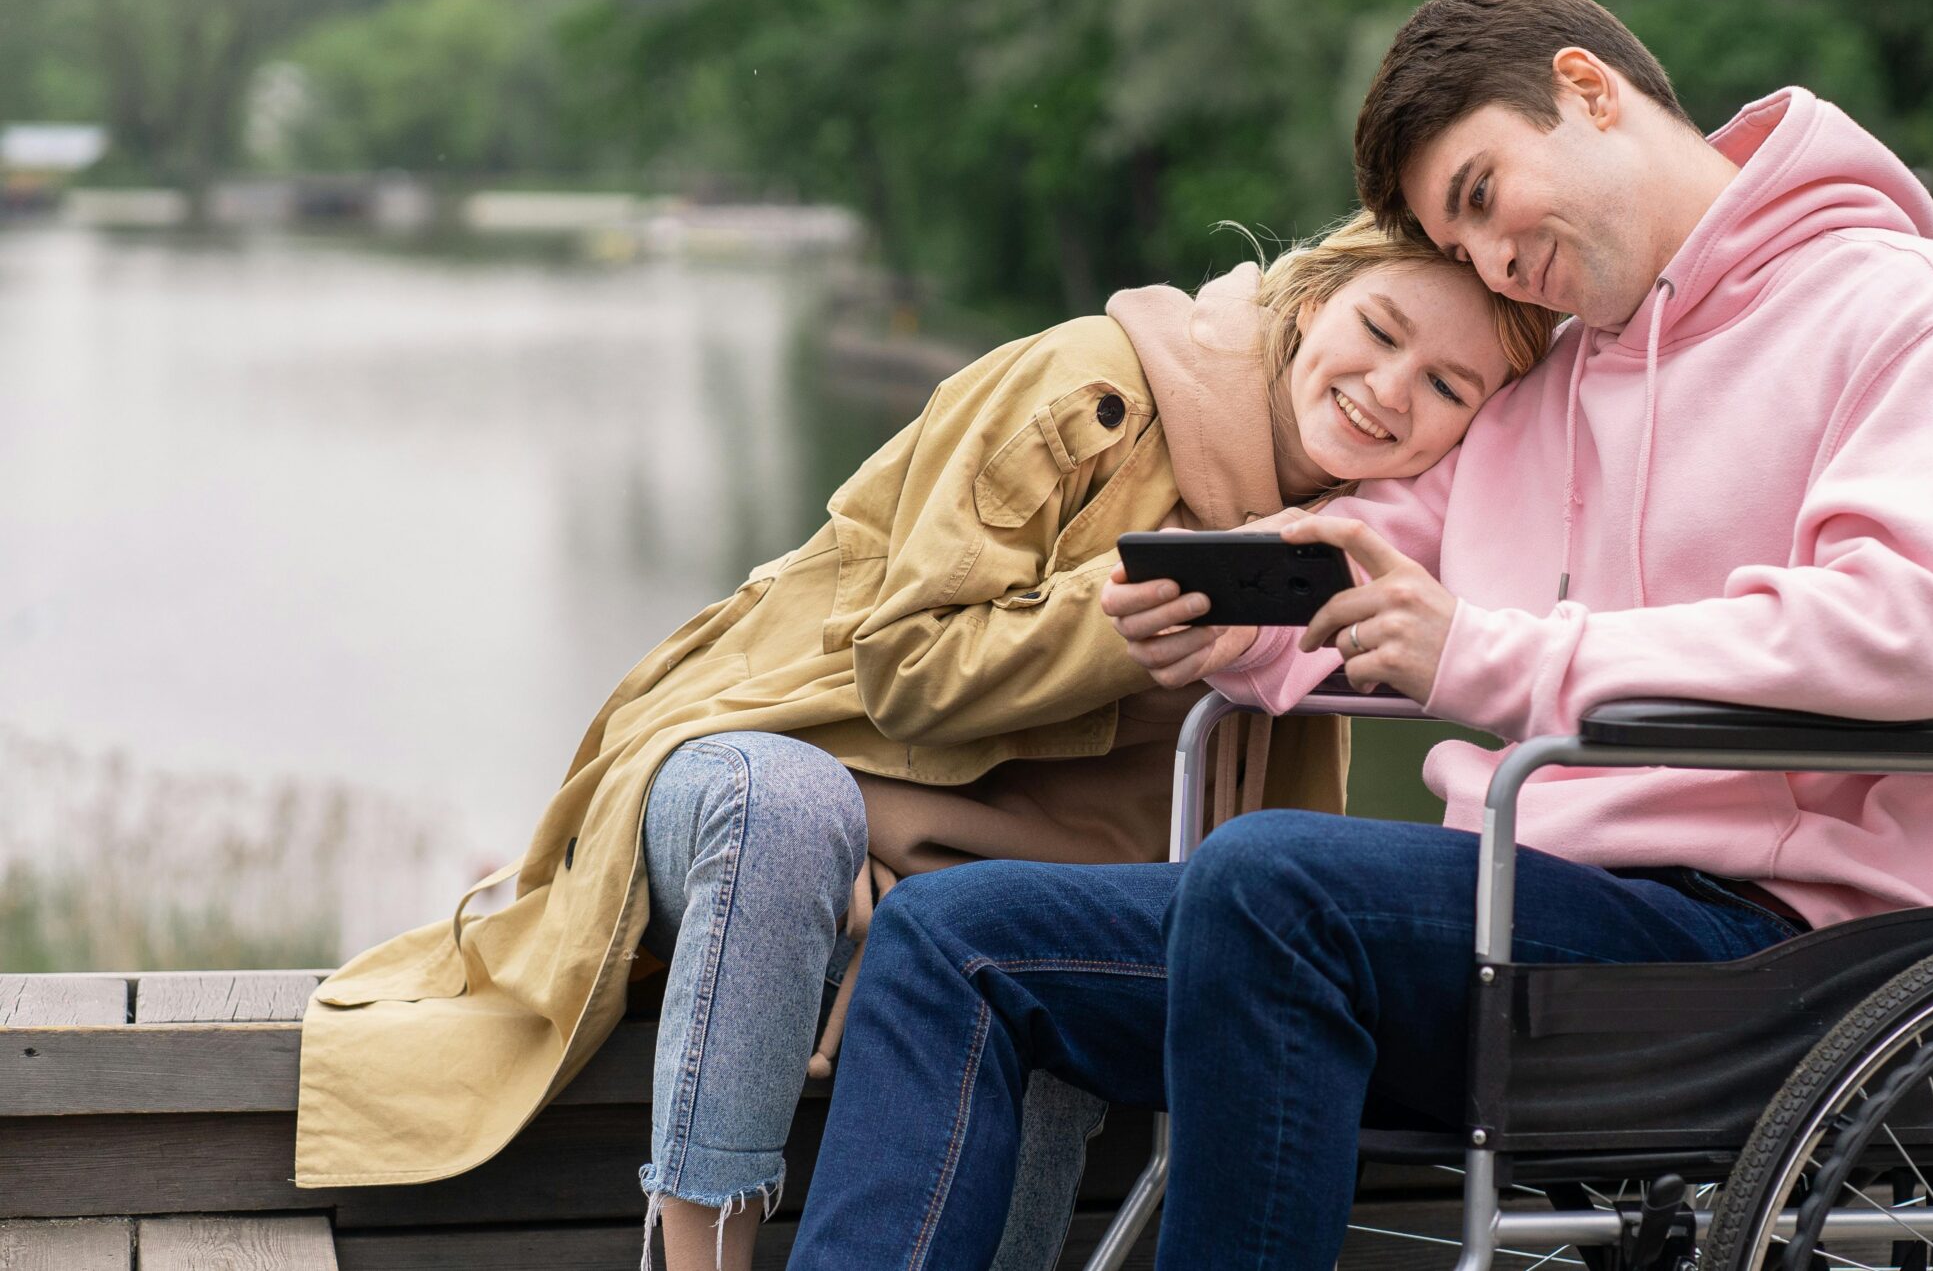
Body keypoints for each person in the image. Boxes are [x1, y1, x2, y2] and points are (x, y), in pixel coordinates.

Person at [782, 0, 1933, 1271]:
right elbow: (1358, 561)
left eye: (1482, 195)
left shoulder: (1924, 309)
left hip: (1796, 951)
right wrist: (1215, 610)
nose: (1498, 263)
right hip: (1532, 920)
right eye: (1462, 248)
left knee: (1276, 879)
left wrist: (1494, 656)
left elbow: (1909, 626)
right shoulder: (1544, 391)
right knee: (958, 936)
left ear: (1587, 88)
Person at [291, 212, 1556, 1271]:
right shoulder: (1087, 384)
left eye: (1447, 385)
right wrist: (1111, 624)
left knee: (1031, 941)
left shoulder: (1356, 551)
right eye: (1379, 332)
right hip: (774, 767)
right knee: (791, 816)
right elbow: (899, 667)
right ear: (1310, 298)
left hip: (981, 889)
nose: (1390, 390)